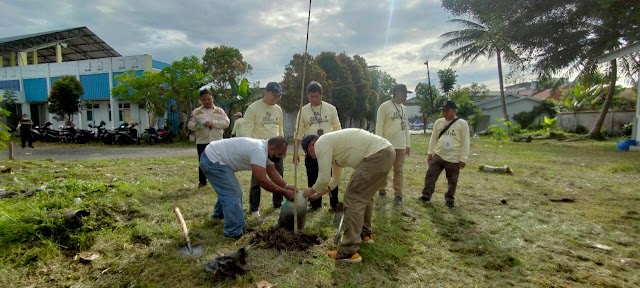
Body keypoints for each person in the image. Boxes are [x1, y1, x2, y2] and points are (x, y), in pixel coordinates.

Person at [301, 128, 395, 263]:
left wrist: (310, 191)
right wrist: (317, 195)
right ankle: (365, 235)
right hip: (386, 152)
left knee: (353, 197)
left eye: (307, 152)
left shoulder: (321, 143)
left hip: (376, 155)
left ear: (312, 145)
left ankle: (348, 251)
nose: (310, 156)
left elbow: (323, 178)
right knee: (364, 196)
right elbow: (336, 179)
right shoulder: (334, 148)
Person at [200, 136, 296, 239]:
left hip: (214, 156)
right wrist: (284, 192)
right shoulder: (258, 151)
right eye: (280, 154)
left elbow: (272, 172)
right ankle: (233, 232)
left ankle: (218, 215)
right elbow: (262, 180)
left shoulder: (265, 149)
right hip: (213, 160)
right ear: (272, 148)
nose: (280, 157)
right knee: (234, 193)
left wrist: (287, 186)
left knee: (227, 190)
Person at [293, 81, 342, 211]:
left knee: (332, 176)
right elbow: (299, 132)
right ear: (307, 96)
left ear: (321, 95)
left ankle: (334, 202)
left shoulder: (331, 108)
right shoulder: (303, 111)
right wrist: (295, 152)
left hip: (329, 148)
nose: (314, 99)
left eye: (316, 96)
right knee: (313, 176)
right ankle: (315, 204)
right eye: (311, 97)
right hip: (311, 150)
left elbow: (337, 128)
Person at [418, 100, 470, 209]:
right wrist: (430, 152)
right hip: (438, 154)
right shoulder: (438, 122)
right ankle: (426, 195)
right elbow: (433, 138)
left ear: (454, 110)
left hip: (454, 158)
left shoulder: (462, 124)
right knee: (430, 175)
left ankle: (449, 200)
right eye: (443, 111)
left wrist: (463, 158)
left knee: (452, 180)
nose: (444, 113)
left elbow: (466, 142)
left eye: (447, 111)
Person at [244, 82, 285, 217]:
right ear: (266, 92)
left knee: (278, 176)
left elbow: (280, 130)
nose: (276, 98)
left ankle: (278, 203)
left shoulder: (278, 109)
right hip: (259, 149)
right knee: (257, 179)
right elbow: (247, 131)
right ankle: (254, 208)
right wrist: (249, 148)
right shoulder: (253, 108)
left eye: (278, 96)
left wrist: (283, 147)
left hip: (276, 149)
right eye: (274, 95)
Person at [376, 84, 412, 205]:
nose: (406, 96)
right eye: (404, 93)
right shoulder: (384, 106)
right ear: (397, 92)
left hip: (401, 145)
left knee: (399, 170)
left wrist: (408, 144)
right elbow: (379, 126)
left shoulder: (404, 109)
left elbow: (406, 127)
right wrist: (379, 143)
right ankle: (381, 189)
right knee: (384, 169)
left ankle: (398, 194)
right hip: (387, 144)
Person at [188, 89, 230, 188]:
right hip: (202, 141)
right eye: (204, 100)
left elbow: (226, 123)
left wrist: (213, 123)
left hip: (217, 141)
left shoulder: (219, 111)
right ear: (200, 100)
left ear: (212, 98)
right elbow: (190, 125)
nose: (207, 101)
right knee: (203, 162)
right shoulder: (196, 112)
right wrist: (196, 125)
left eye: (209, 99)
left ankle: (220, 181)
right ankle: (202, 182)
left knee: (219, 161)